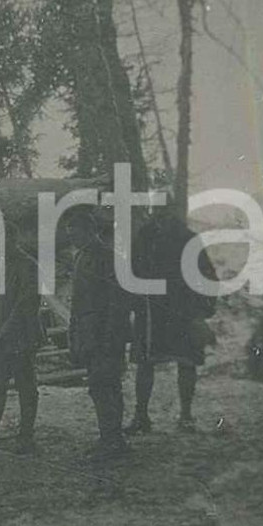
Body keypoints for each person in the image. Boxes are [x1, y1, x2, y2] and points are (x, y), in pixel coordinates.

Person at [127, 193, 218, 433]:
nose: (159, 214)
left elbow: (207, 275)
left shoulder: (188, 239)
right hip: (151, 311)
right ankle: (141, 416)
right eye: (155, 209)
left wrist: (201, 310)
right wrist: (134, 301)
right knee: (145, 363)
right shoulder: (144, 238)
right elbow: (132, 270)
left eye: (163, 209)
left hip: (182, 310)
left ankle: (186, 416)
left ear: (172, 210)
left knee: (186, 362)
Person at [69, 206, 133, 460]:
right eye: (70, 234)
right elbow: (78, 302)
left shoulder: (107, 257)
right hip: (90, 333)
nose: (72, 238)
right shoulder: (82, 257)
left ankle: (113, 440)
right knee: (99, 385)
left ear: (90, 231)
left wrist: (109, 336)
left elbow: (118, 301)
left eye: (76, 233)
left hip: (106, 334)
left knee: (106, 384)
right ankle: (110, 437)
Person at [0, 221, 43, 454]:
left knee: (26, 387)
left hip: (21, 337)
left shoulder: (28, 266)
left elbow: (26, 305)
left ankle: (25, 437)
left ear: (14, 239)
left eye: (3, 240)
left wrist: (3, 333)